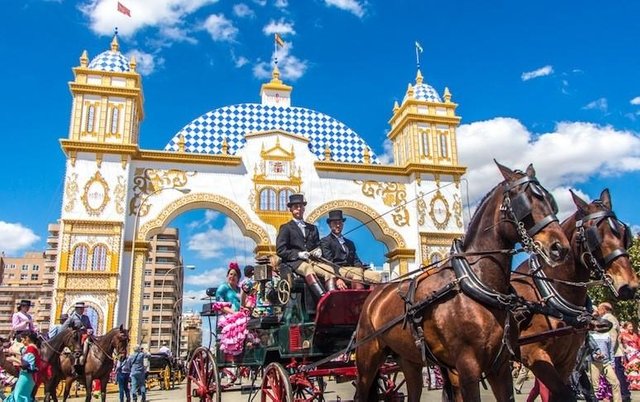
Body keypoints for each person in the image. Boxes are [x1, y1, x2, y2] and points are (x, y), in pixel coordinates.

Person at [275, 193, 338, 297]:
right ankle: (322, 297)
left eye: (301, 206)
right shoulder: (286, 228)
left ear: (304, 209)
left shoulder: (312, 228)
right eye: (296, 207)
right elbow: (280, 250)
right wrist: (298, 254)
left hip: (312, 261)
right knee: (307, 268)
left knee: (329, 270)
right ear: (291, 210)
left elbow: (317, 244)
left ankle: (333, 297)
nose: (299, 209)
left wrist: (318, 250)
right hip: (295, 262)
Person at [320, 209, 381, 289]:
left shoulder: (349, 243)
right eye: (335, 223)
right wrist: (337, 278)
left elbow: (356, 260)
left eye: (340, 223)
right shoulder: (325, 241)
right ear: (330, 225)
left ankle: (372, 300)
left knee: (375, 275)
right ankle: (358, 298)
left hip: (353, 270)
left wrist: (362, 268)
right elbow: (329, 262)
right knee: (356, 271)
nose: (338, 225)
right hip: (338, 270)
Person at [213, 263, 259, 356]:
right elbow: (220, 305)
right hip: (228, 316)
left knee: (255, 320)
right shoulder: (223, 287)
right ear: (227, 275)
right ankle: (235, 347)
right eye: (231, 274)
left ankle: (252, 345)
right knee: (242, 320)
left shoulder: (240, 289)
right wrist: (235, 313)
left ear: (238, 278)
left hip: (241, 315)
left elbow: (246, 302)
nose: (232, 277)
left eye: (235, 275)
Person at [598, 302, 631, 402]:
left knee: (617, 374)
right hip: (614, 352)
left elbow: (612, 336)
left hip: (614, 353)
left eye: (599, 308)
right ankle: (623, 394)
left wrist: (608, 351)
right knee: (617, 373)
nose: (598, 311)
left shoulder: (609, 318)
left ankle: (623, 395)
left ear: (604, 309)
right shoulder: (611, 317)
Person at [4, 332, 41, 402]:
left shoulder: (31, 349)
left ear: (27, 339)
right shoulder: (34, 348)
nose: (22, 341)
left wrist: (13, 359)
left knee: (19, 396)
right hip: (29, 377)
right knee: (20, 396)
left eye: (23, 339)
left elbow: (27, 366)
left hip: (26, 377)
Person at [589, 327, 622, 402]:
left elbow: (610, 351)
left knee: (615, 383)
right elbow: (589, 349)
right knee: (595, 387)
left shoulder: (607, 335)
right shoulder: (591, 335)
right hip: (595, 363)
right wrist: (595, 356)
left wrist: (612, 363)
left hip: (606, 363)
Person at [64, 301, 94, 372]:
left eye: (82, 308)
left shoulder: (86, 318)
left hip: (85, 335)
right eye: (80, 308)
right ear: (76, 309)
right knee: (84, 343)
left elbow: (90, 327)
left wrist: (90, 330)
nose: (82, 310)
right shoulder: (72, 318)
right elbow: (64, 328)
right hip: (75, 337)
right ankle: (78, 361)